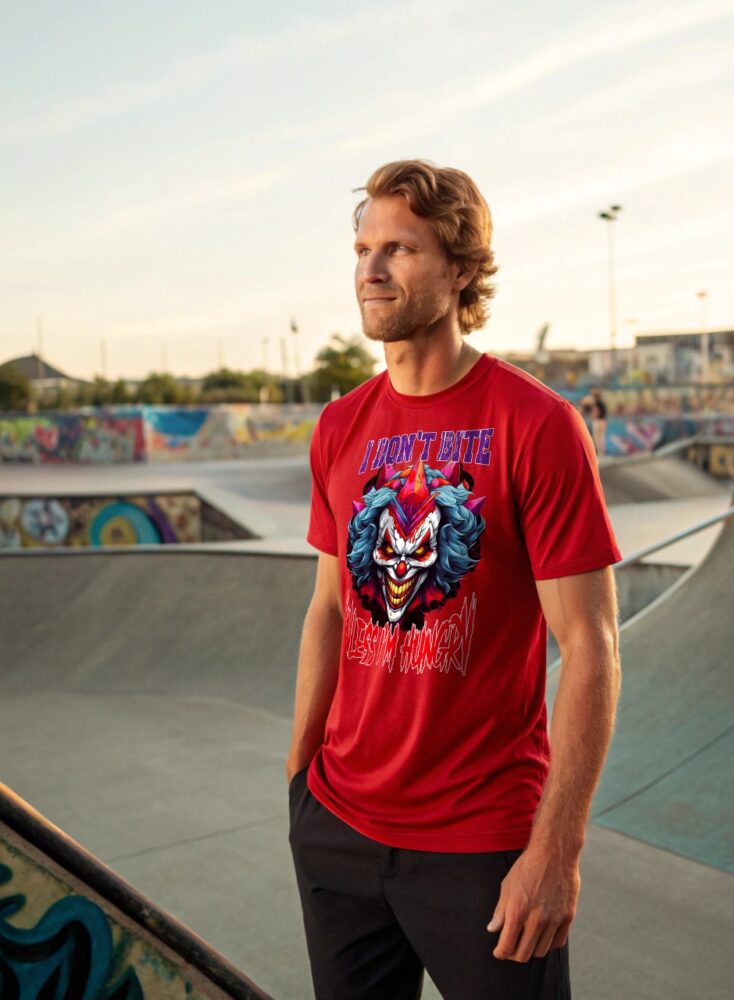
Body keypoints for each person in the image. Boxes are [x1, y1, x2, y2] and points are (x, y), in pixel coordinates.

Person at [286, 160, 622, 1000]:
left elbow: (591, 646)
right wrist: (300, 783)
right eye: (362, 249)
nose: (370, 269)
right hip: (338, 828)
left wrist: (556, 851)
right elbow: (329, 608)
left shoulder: (535, 424)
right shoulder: (340, 425)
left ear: (462, 269)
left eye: (399, 248)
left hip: (482, 846)